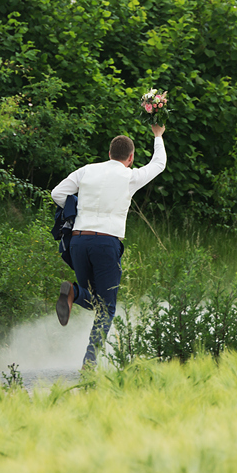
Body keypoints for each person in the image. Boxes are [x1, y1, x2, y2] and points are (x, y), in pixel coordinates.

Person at [51, 124, 167, 368]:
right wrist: (158, 136)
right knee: (107, 308)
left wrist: (78, 208)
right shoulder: (130, 176)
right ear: (131, 157)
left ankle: (73, 293)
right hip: (106, 242)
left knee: (93, 298)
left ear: (109, 153)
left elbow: (57, 193)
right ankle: (90, 363)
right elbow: (158, 165)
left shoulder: (86, 170)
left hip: (79, 240)